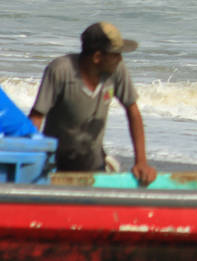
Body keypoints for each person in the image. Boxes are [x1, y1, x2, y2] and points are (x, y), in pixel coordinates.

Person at [29, 22, 157, 185]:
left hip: (92, 159)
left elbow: (133, 111)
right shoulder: (60, 70)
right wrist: (29, 162)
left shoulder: (116, 70)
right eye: (116, 54)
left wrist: (141, 162)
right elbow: (37, 117)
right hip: (56, 160)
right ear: (97, 57)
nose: (120, 59)